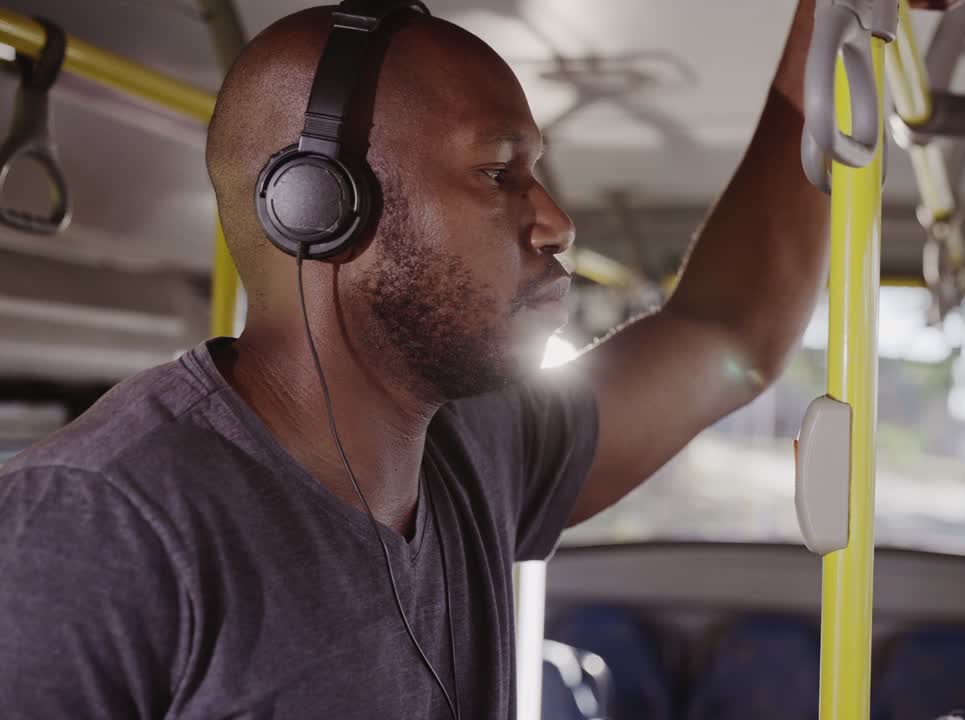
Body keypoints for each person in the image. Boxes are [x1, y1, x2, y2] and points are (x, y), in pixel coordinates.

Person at [0, 1, 830, 718]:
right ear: (319, 206)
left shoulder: (477, 447)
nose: (556, 221)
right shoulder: (99, 528)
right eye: (499, 172)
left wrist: (829, 19)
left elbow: (730, 335)